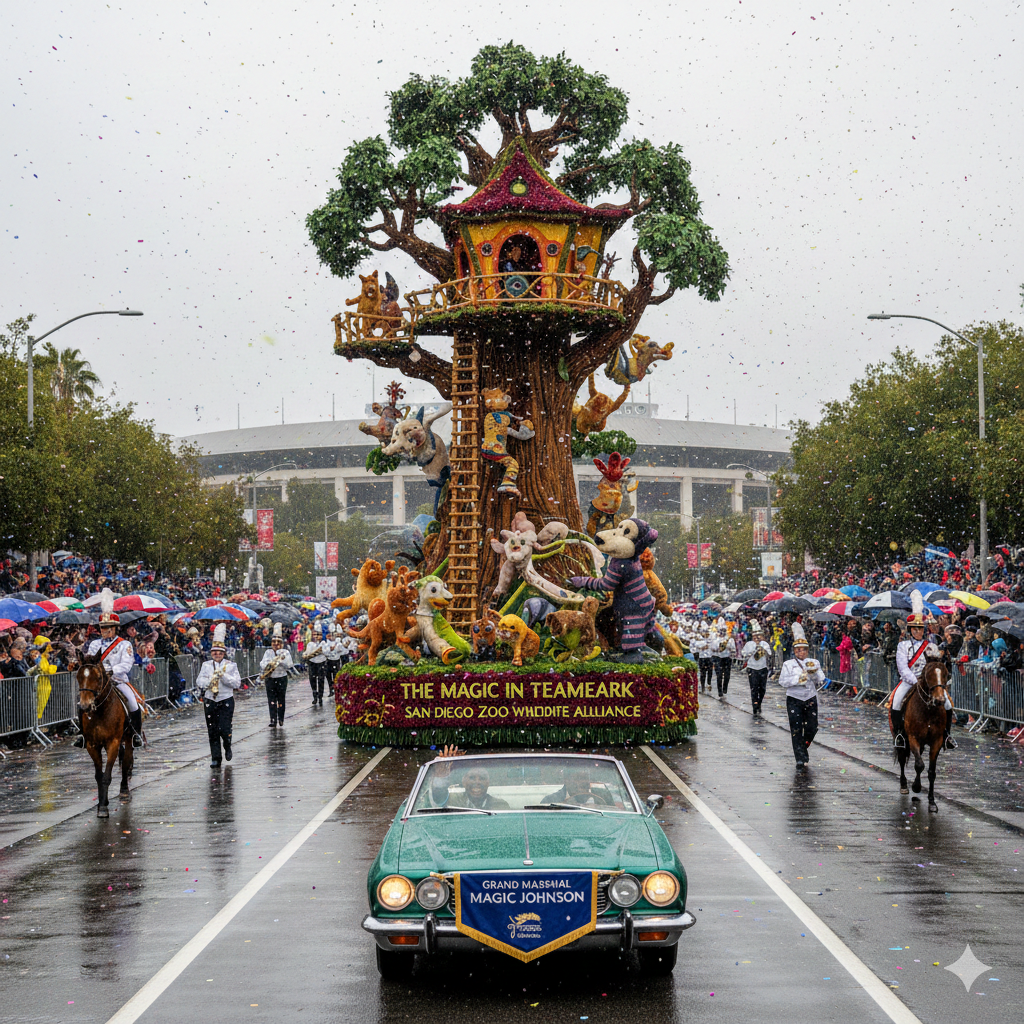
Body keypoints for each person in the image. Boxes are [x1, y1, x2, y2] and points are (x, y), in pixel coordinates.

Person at [77, 589, 144, 748]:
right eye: (102, 627)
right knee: (82, 703)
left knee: (133, 703)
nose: (104, 630)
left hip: (117, 680)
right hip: (98, 683)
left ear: (115, 628)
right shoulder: (94, 644)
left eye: (108, 627)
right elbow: (90, 661)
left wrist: (112, 670)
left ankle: (135, 734)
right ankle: (82, 735)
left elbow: (126, 664)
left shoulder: (124, 644)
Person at [893, 592, 956, 750]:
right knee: (896, 702)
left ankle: (947, 734)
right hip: (911, 680)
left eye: (920, 628)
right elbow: (902, 667)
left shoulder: (932, 646)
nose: (917, 631)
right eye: (915, 628)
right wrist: (916, 682)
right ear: (910, 629)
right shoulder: (903, 646)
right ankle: (900, 734)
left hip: (930, 683)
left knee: (947, 704)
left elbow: (936, 667)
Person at [777, 622, 824, 769]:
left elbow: (821, 679)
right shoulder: (788, 664)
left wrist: (814, 673)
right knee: (796, 728)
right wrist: (797, 680)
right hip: (794, 698)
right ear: (795, 651)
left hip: (809, 697)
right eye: (798, 650)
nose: (801, 653)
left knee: (812, 727)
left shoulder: (813, 662)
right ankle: (799, 757)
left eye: (804, 650)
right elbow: (782, 681)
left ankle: (803, 746)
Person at [196, 623, 242, 768]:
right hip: (211, 700)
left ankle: (227, 745)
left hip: (225, 699)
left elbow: (237, 683)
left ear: (223, 653)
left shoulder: (230, 665)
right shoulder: (206, 665)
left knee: (224, 728)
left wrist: (223, 677)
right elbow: (199, 680)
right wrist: (209, 681)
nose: (217, 654)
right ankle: (216, 757)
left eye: (219, 652)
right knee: (212, 730)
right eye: (214, 652)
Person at [428, 760, 511, 810]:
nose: (477, 782)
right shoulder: (452, 800)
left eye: (482, 778)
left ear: (488, 782)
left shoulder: (500, 805)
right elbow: (438, 795)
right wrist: (441, 777)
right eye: (472, 778)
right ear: (463, 781)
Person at [259, 624, 294, 728]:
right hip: (270, 678)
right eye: (274, 642)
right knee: (271, 699)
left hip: (281, 678)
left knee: (281, 699)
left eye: (278, 642)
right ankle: (273, 719)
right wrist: (270, 663)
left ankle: (281, 718)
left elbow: (289, 665)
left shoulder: (285, 652)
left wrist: (280, 660)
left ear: (281, 643)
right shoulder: (268, 652)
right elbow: (262, 664)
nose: (275, 644)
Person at [741, 620, 773, 716]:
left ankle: (759, 703)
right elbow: (744, 654)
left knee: (762, 689)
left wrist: (764, 649)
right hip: (752, 668)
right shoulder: (749, 644)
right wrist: (753, 649)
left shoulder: (765, 644)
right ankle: (755, 705)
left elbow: (770, 654)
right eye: (755, 636)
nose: (757, 638)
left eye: (759, 636)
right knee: (754, 688)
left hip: (763, 668)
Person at [541, 766, 616, 806]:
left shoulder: (603, 796)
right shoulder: (551, 800)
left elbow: (615, 818)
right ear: (566, 780)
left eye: (586, 778)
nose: (583, 782)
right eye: (578, 778)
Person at [304, 627, 328, 706]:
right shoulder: (310, 644)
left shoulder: (324, 643)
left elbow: (327, 652)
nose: (317, 636)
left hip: (321, 662)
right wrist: (305, 655)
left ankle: (320, 697)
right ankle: (315, 695)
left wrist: (323, 651)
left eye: (319, 635)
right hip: (312, 663)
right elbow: (307, 653)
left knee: (321, 680)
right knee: (312, 679)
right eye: (315, 635)